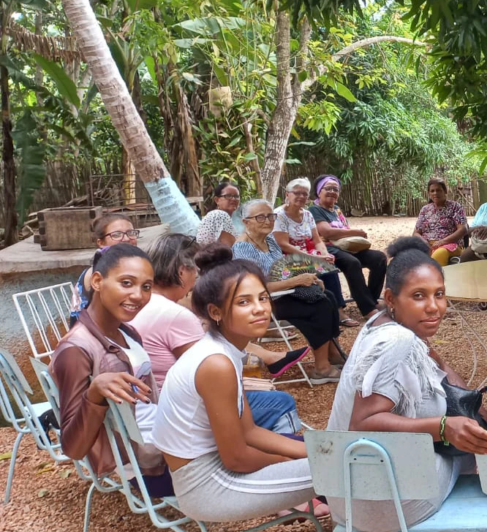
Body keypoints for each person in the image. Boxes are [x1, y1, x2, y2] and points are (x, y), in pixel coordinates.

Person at [327, 237, 487, 532]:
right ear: (391, 299)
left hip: (347, 497)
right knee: (475, 451)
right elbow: (363, 422)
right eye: (418, 296)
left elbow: (444, 374)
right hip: (388, 503)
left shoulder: (379, 325)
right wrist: (445, 427)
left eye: (439, 294)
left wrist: (467, 406)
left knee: (469, 435)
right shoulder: (397, 340)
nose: (434, 307)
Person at [152, 246, 321, 523]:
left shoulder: (225, 351)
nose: (259, 309)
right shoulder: (216, 363)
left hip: (215, 469)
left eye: (263, 298)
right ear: (215, 312)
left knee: (338, 460)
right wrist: (288, 462)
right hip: (208, 486)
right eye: (243, 302)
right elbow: (237, 458)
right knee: (347, 469)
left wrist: (314, 451)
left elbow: (249, 431)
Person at [131, 233, 306, 433]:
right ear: (182, 271)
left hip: (155, 406)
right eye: (197, 272)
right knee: (281, 402)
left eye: (262, 298)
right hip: (180, 412)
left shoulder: (142, 304)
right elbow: (207, 373)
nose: (197, 279)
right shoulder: (175, 315)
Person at [51, 243, 173, 496]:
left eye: (146, 287)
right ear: (97, 281)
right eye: (126, 283)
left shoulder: (127, 332)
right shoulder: (76, 349)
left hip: (168, 442)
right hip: (146, 467)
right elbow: (73, 448)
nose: (138, 295)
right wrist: (94, 393)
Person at [234, 199, 344, 384]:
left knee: (329, 296)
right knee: (320, 305)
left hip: (284, 293)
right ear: (246, 222)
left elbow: (283, 271)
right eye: (260, 217)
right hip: (265, 301)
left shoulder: (270, 240)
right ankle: (321, 368)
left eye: (271, 216)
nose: (268, 221)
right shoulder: (243, 248)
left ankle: (332, 352)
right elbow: (254, 288)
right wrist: (297, 281)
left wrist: (307, 276)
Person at [274, 178, 354, 326]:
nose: (301, 196)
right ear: (287, 194)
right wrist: (313, 258)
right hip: (286, 258)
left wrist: (324, 254)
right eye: (297, 193)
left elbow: (317, 240)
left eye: (305, 194)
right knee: (324, 269)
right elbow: (283, 245)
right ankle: (332, 312)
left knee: (328, 265)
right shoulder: (279, 215)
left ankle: (336, 310)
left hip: (307, 254)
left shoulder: (307, 214)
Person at [309, 174, 388, 318]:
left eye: (336, 189)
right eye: (328, 188)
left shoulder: (336, 209)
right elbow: (327, 232)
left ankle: (371, 300)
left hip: (346, 247)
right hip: (328, 249)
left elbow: (340, 232)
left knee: (379, 258)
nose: (332, 192)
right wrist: (355, 232)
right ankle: (368, 309)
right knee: (352, 262)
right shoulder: (315, 210)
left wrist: (343, 234)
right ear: (319, 192)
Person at [70, 213, 140, 325]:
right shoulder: (100, 272)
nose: (126, 239)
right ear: (101, 243)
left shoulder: (129, 267)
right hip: (95, 333)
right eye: (116, 235)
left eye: (131, 233)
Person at [413, 178, 468, 266]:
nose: (435, 193)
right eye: (432, 191)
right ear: (429, 193)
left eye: (438, 190)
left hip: (450, 244)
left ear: (445, 191)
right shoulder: (425, 209)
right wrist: (424, 243)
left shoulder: (455, 207)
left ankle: (436, 275)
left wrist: (442, 242)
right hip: (428, 245)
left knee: (439, 254)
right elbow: (416, 233)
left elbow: (463, 229)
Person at [196, 181, 241, 246]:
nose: (233, 199)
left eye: (236, 196)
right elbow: (231, 248)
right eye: (228, 196)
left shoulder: (235, 219)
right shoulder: (219, 215)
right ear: (217, 200)